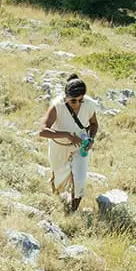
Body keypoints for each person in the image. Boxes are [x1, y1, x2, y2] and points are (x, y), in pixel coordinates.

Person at [38, 74, 100, 212]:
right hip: (59, 147)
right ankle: (56, 190)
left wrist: (91, 139)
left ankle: (73, 212)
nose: (77, 104)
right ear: (66, 97)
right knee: (59, 178)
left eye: (80, 100)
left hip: (80, 147)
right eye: (73, 101)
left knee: (80, 179)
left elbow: (94, 124)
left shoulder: (89, 104)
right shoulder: (57, 106)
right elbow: (42, 131)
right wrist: (67, 135)